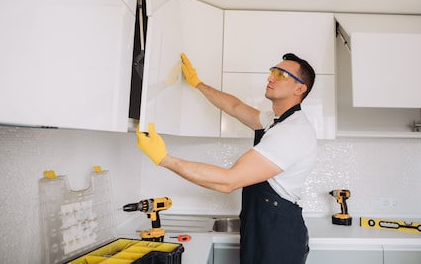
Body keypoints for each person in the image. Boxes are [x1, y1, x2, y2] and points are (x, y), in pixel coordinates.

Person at [136, 52, 318, 264]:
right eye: (272, 72)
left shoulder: (292, 132)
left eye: (281, 74)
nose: (270, 77)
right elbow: (234, 107)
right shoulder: (274, 121)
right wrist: (198, 84)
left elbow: (228, 181)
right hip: (263, 228)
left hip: (278, 238)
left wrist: (164, 159)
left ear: (299, 88)